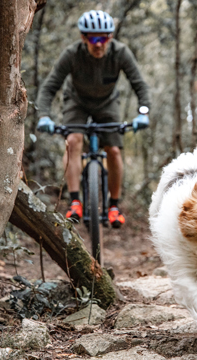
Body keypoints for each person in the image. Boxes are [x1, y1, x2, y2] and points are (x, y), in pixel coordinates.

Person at [36, 10, 151, 228]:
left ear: (110, 37)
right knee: (73, 141)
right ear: (84, 38)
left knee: (114, 150)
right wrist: (44, 116)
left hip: (107, 103)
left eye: (104, 38)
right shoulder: (72, 54)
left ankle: (114, 206)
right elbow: (50, 87)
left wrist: (143, 112)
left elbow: (140, 84)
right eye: (93, 38)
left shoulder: (121, 53)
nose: (99, 44)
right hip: (76, 101)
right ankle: (75, 202)